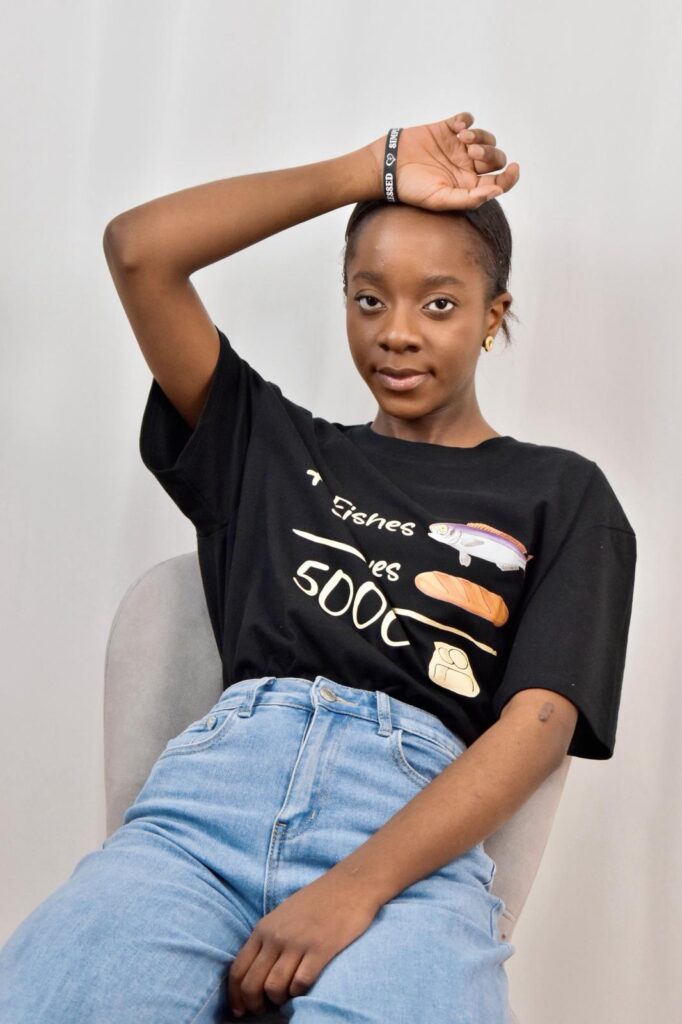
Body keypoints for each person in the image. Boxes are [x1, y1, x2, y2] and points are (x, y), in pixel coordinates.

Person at [0, 112, 637, 1023]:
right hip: (198, 828)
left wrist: (355, 886)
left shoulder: (563, 494)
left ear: (494, 317)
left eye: (439, 304)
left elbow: (538, 724)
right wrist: (366, 170)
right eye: (369, 299)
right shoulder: (265, 444)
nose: (397, 333)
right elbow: (140, 252)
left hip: (411, 852)